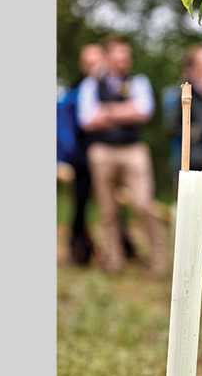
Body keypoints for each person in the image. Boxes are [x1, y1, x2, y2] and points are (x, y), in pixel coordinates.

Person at [77, 37, 165, 274]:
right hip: (102, 151)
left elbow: (144, 111)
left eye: (126, 58)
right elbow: (86, 119)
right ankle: (113, 260)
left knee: (143, 204)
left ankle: (159, 258)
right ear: (107, 58)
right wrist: (126, 110)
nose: (123, 62)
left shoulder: (138, 81)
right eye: (118, 57)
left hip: (133, 149)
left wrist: (106, 112)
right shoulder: (90, 85)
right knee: (107, 209)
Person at [62, 43, 136, 265]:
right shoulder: (78, 88)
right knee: (82, 202)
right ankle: (80, 250)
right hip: (81, 154)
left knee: (112, 203)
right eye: (88, 61)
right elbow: (79, 121)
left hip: (105, 150)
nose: (92, 65)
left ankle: (124, 246)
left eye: (96, 60)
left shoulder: (112, 85)